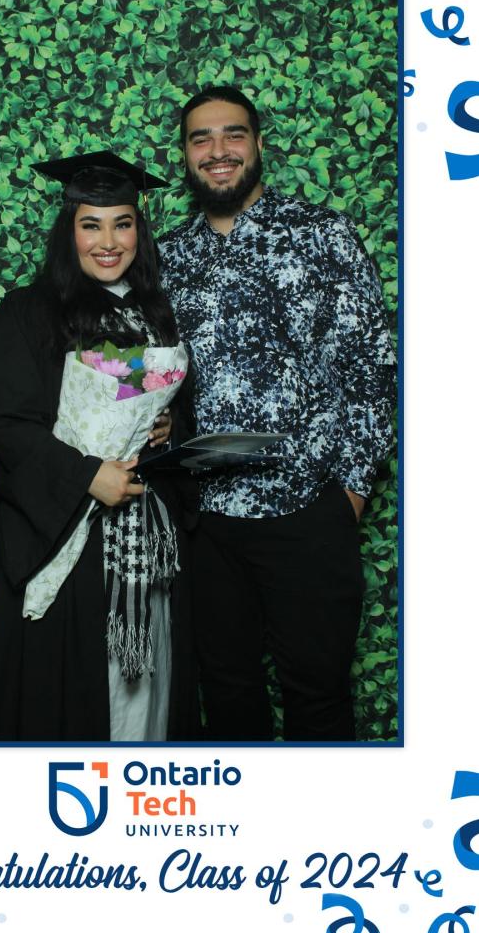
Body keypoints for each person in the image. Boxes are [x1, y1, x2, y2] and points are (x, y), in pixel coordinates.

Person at [157, 85, 397, 742]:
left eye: (232, 134)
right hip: (206, 521)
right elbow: (149, 373)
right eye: (201, 139)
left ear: (258, 145)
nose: (218, 150)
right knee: (226, 696)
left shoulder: (321, 234)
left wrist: (349, 492)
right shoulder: (168, 256)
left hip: (307, 509)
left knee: (318, 698)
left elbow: (371, 368)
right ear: (185, 155)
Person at [0, 152, 198, 743]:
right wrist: (87, 476)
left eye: (123, 224)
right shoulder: (27, 312)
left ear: (139, 230)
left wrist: (168, 426)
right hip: (71, 531)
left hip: (143, 536)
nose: (108, 242)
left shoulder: (156, 315)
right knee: (74, 692)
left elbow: (163, 404)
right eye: (91, 225)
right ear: (68, 230)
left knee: (149, 688)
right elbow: (13, 425)